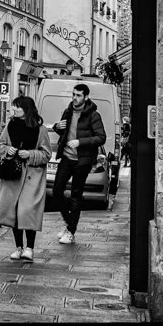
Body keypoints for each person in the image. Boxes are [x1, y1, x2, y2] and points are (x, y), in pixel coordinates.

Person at [0, 95, 54, 261]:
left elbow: (46, 154)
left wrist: (30, 154)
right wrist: (8, 150)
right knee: (14, 211)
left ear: (27, 109)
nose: (14, 110)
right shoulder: (11, 124)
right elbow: (0, 145)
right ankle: (18, 247)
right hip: (13, 173)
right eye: (14, 107)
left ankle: (30, 248)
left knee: (28, 211)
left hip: (32, 176)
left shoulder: (40, 129)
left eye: (17, 107)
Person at [51, 82, 108, 244]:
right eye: (73, 95)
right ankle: (69, 224)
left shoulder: (93, 115)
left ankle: (71, 231)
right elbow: (62, 131)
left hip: (82, 161)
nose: (75, 98)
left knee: (76, 194)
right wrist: (57, 127)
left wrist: (80, 142)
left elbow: (101, 137)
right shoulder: (68, 111)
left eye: (78, 95)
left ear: (86, 97)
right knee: (56, 191)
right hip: (67, 158)